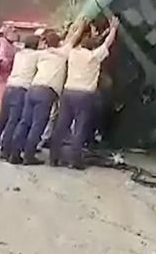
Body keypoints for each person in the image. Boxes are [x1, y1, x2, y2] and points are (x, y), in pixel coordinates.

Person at [8, 20, 86, 165]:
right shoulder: (63, 53)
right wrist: (81, 25)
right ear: (59, 43)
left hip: (33, 88)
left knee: (25, 122)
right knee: (38, 124)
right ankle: (29, 156)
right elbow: (74, 38)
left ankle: (15, 153)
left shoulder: (41, 53)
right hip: (46, 92)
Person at [49, 18, 119, 168]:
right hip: (85, 95)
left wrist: (80, 28)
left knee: (62, 125)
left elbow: (71, 41)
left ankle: (54, 157)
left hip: (68, 92)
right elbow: (107, 43)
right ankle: (75, 160)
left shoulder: (73, 53)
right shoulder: (94, 57)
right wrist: (113, 29)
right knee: (80, 127)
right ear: (93, 48)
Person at [0, 34, 40, 159]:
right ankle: (6, 149)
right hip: (21, 89)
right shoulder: (36, 56)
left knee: (1, 120)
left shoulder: (19, 54)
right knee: (13, 121)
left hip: (10, 86)